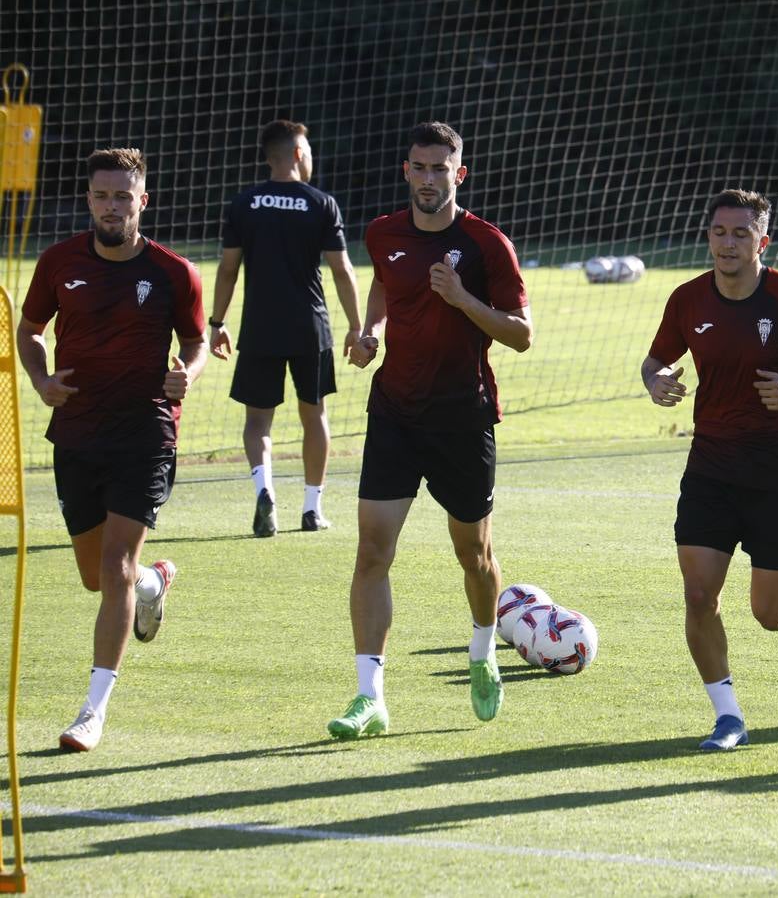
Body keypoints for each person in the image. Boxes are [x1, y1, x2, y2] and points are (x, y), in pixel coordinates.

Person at [327, 121, 533, 739]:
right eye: (419, 167)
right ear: (406, 170)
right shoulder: (382, 232)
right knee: (372, 551)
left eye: (440, 168)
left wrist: (463, 299)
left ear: (458, 174)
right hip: (394, 411)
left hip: (463, 419)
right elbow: (386, 289)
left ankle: (482, 650)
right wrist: (370, 336)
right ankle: (369, 697)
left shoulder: (487, 244)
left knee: (474, 555)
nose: (427, 178)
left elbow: (522, 334)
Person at [642, 189, 778, 751]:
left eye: (741, 233)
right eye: (719, 232)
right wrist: (656, 381)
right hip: (711, 467)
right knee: (698, 595)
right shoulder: (688, 299)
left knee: (769, 612)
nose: (728, 242)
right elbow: (655, 358)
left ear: (763, 241)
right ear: (708, 236)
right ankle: (728, 715)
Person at [17, 148, 207, 751]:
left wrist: (189, 375)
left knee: (115, 566)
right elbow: (29, 331)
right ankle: (152, 584)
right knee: (97, 576)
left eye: (123, 197)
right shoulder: (57, 262)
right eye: (102, 195)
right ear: (89, 198)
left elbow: (197, 340)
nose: (111, 206)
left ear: (142, 201)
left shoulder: (174, 272)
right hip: (76, 434)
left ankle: (92, 710)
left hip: (145, 434)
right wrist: (42, 381)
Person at [210, 119, 362, 537]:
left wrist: (217, 323)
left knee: (258, 421)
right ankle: (312, 508)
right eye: (308, 151)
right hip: (310, 328)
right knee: (315, 416)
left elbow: (227, 270)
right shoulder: (321, 203)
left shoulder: (244, 204)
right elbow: (342, 269)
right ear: (298, 153)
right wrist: (355, 325)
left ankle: (265, 489)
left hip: (259, 328)